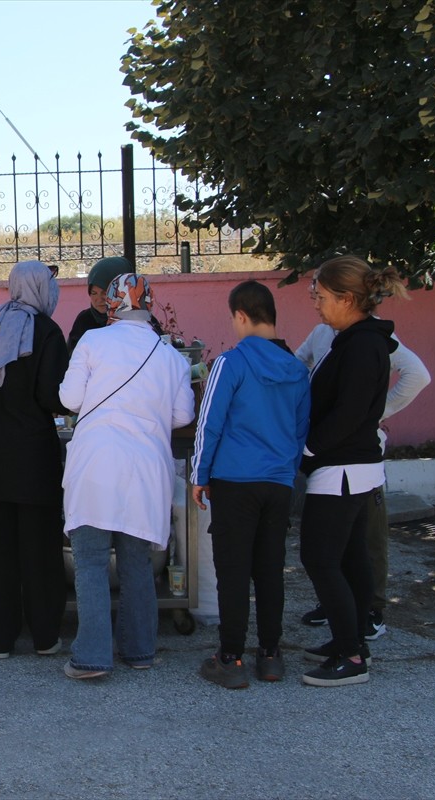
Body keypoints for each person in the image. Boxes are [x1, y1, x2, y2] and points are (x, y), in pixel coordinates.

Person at [59, 273, 195, 679]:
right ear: (149, 304)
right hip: (146, 469)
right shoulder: (170, 354)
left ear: (113, 304)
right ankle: (138, 651)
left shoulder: (93, 341)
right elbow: (183, 416)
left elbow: (69, 399)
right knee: (138, 562)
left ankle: (91, 657)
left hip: (95, 464)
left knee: (91, 561)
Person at [190, 281, 310, 688]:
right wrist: (285, 472)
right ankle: (271, 655)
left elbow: (210, 422)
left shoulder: (231, 363)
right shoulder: (296, 368)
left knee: (234, 570)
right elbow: (299, 430)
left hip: (235, 481)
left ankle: (230, 658)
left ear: (240, 315)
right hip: (278, 482)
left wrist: (198, 475)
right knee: (270, 569)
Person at [298, 256, 407, 687]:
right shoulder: (355, 339)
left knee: (320, 558)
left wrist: (308, 450)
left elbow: (349, 413)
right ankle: (351, 639)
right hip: (351, 466)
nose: (316, 304)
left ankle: (351, 655)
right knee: (350, 558)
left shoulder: (362, 344)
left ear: (347, 299)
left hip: (341, 468)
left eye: (321, 297)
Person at [0, 260, 69, 658]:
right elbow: (53, 396)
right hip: (32, 457)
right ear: (40, 288)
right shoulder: (47, 332)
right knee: (39, 551)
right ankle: (44, 637)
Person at [294, 321, 430, 639]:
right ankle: (340, 611)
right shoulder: (323, 333)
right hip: (330, 455)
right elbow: (298, 365)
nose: (315, 299)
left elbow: (418, 375)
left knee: (365, 540)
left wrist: (377, 411)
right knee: (341, 546)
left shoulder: (371, 340)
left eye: (322, 292)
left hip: (351, 459)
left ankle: (370, 612)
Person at [65, 256, 133, 353]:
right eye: (93, 293)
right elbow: (73, 358)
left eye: (105, 293)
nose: (99, 299)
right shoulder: (84, 320)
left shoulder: (138, 320)